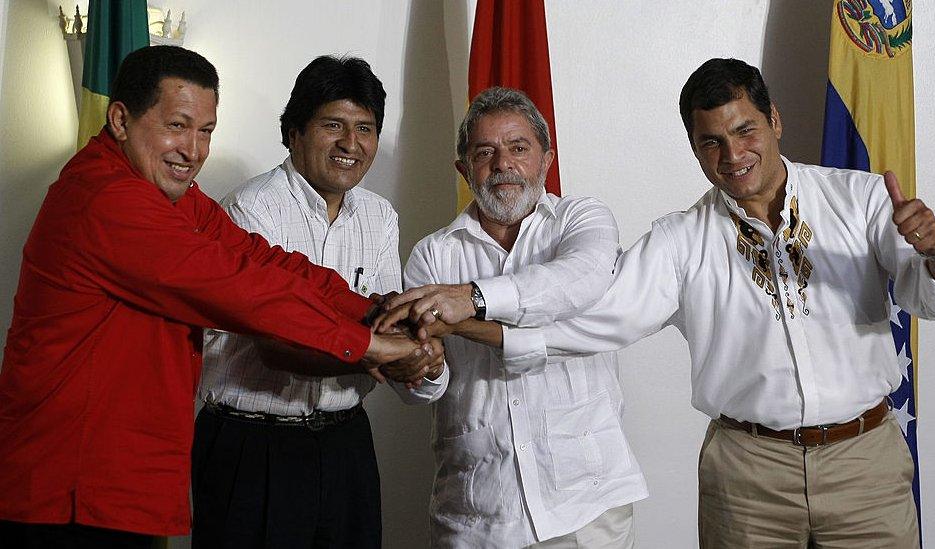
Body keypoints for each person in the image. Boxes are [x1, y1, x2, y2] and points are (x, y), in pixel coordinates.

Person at [499, 58, 935, 547]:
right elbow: (593, 318)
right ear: (695, 149)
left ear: (775, 120)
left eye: (745, 131)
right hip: (747, 479)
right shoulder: (679, 240)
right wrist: (473, 317)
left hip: (865, 462)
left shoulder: (861, 198)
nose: (733, 154)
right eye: (712, 142)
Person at [0, 46, 422, 547]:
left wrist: (371, 310)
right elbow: (244, 293)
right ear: (120, 119)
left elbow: (260, 261)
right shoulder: (106, 198)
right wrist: (368, 345)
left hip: (119, 481)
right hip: (67, 485)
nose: (194, 150)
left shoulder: (167, 193)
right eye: (177, 125)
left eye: (206, 131)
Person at [378, 87, 647, 548]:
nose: (503, 164)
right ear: (464, 169)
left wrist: (469, 302)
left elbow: (579, 283)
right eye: (485, 152)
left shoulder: (581, 219)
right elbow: (427, 389)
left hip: (586, 506)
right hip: (477, 514)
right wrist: (418, 367)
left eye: (519, 148)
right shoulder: (433, 254)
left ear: (546, 159)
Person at [192, 55, 443, 549]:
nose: (352, 144)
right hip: (252, 447)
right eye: (334, 125)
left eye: (366, 129)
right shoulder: (250, 209)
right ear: (293, 131)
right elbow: (275, 345)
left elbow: (387, 322)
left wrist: (421, 354)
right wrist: (385, 352)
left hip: (345, 442)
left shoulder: (380, 217)